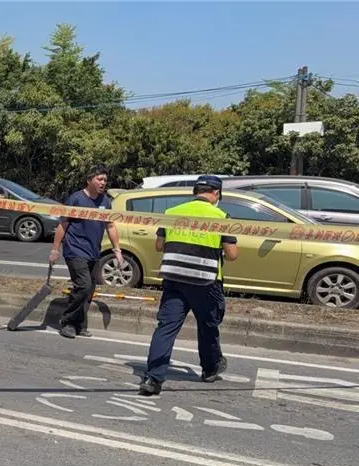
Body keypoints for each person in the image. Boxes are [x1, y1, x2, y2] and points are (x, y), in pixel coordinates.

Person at [139, 175, 239, 396]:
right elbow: (232, 254)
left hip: (174, 278)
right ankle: (210, 369)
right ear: (217, 193)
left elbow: (159, 245)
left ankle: (153, 379)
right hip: (206, 281)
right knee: (208, 327)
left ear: (195, 191)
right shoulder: (221, 216)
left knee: (166, 328)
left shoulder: (172, 213)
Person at [48, 165, 123, 339]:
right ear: (89, 180)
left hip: (93, 252)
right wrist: (55, 249)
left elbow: (110, 225)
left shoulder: (105, 201)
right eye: (99, 179)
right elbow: (63, 224)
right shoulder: (76, 199)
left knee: (88, 291)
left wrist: (117, 249)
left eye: (104, 180)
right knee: (83, 285)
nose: (103, 183)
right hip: (75, 250)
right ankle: (67, 322)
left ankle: (79, 324)